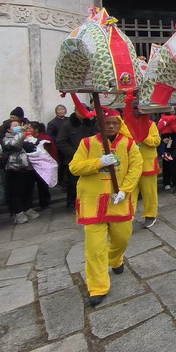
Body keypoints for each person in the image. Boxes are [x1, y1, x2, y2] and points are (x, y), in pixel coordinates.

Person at [69, 110, 143, 306]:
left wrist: (125, 190)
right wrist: (98, 163)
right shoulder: (86, 143)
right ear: (100, 124)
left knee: (122, 238)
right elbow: (74, 167)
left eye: (114, 123)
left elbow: (136, 168)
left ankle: (116, 259)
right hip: (92, 203)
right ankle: (97, 287)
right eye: (107, 123)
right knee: (94, 249)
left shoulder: (128, 145)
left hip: (117, 201)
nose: (111, 126)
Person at [120, 110, 162, 229]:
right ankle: (128, 216)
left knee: (149, 193)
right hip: (130, 165)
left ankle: (150, 216)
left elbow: (156, 141)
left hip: (147, 165)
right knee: (129, 192)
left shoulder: (150, 124)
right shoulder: (124, 125)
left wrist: (143, 136)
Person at [57, 104, 96, 210]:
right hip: (73, 158)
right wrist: (75, 153)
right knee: (73, 183)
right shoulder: (67, 125)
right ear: (75, 111)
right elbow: (61, 142)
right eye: (80, 111)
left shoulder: (90, 123)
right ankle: (71, 203)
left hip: (90, 158)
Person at [3, 119, 39, 224]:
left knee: (28, 189)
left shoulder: (25, 136)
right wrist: (21, 133)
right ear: (9, 129)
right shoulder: (6, 138)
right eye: (15, 125)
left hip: (28, 167)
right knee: (16, 192)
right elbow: (15, 145)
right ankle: (18, 212)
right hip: (15, 168)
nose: (19, 127)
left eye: (19, 125)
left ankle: (27, 208)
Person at [27, 122, 57, 211]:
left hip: (43, 165)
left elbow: (52, 151)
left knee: (43, 185)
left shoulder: (45, 138)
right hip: (31, 166)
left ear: (36, 129)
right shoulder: (26, 139)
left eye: (29, 128)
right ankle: (29, 205)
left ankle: (44, 203)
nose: (27, 130)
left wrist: (53, 163)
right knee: (29, 186)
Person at [158, 111, 176, 191]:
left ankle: (166, 183)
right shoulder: (172, 119)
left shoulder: (162, 119)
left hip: (163, 139)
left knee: (165, 161)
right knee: (172, 162)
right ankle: (175, 183)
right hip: (171, 139)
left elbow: (159, 128)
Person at [47, 105, 68, 185]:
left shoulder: (69, 120)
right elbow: (49, 135)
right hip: (59, 146)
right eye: (59, 110)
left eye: (62, 109)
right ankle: (60, 180)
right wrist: (59, 140)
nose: (61, 111)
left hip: (69, 144)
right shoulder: (52, 123)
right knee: (61, 163)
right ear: (56, 112)